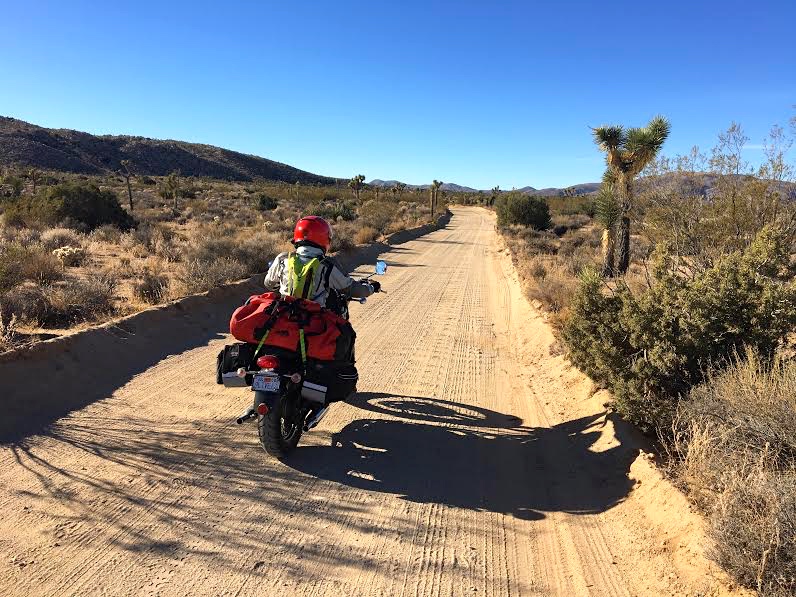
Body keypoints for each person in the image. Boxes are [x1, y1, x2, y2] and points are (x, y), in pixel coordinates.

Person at [263, 216, 379, 314]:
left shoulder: (282, 258)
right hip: (313, 319)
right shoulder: (326, 265)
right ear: (324, 238)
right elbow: (351, 289)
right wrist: (371, 288)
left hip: (284, 315)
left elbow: (268, 284)